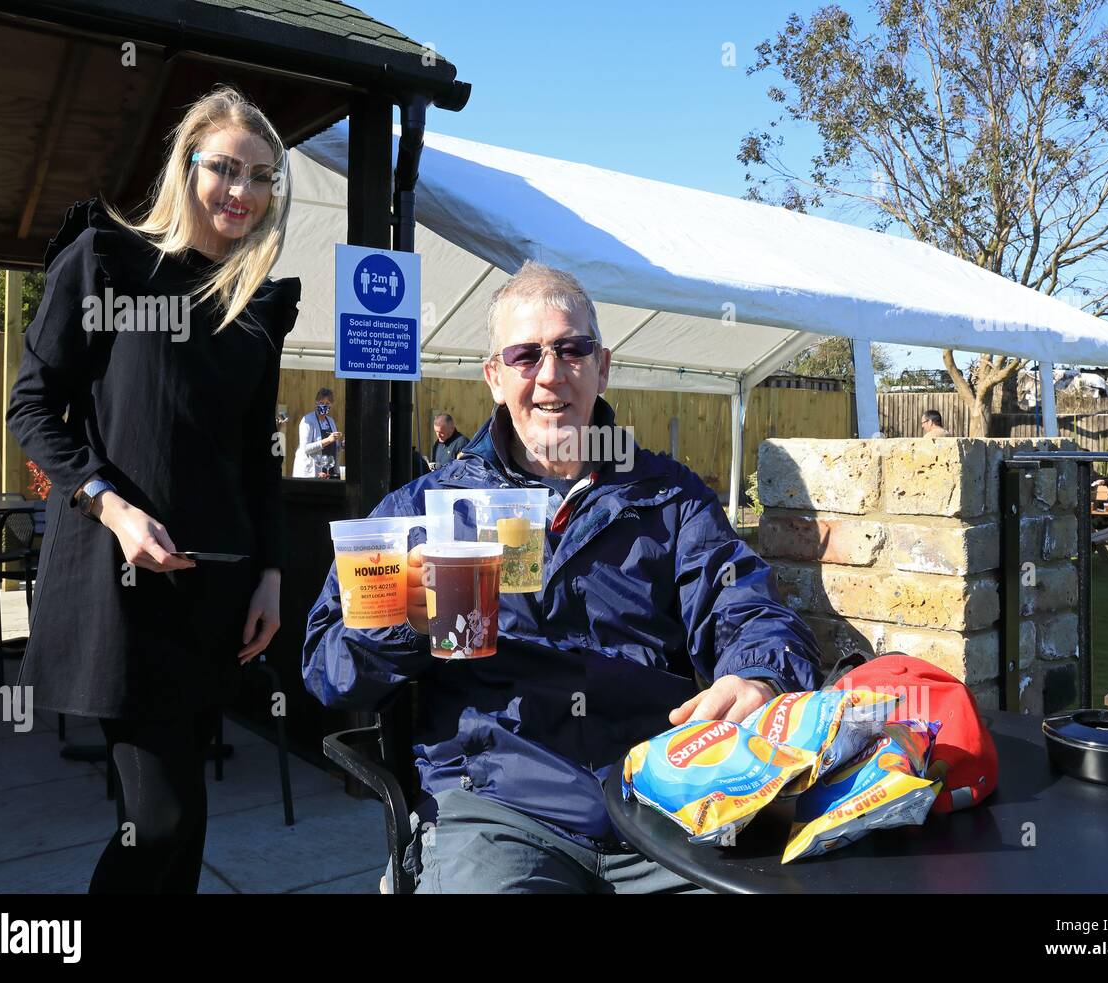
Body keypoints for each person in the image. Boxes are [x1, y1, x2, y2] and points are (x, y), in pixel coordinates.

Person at [303, 260, 822, 894]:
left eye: (571, 349)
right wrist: (411, 616)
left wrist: (759, 672)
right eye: (525, 355)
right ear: (495, 377)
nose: (550, 374)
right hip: (498, 807)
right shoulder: (426, 509)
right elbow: (328, 669)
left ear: (602, 366)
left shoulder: (669, 495)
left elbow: (748, 606)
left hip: (659, 798)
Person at [6, 86, 301, 894]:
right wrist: (110, 503)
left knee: (184, 820)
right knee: (160, 820)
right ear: (187, 166)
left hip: (213, 590)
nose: (242, 192)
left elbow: (255, 454)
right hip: (119, 586)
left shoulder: (254, 305)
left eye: (262, 177)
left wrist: (272, 574)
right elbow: (31, 405)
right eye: (226, 169)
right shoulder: (108, 259)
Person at [294, 387, 342, 478]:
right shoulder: (307, 420)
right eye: (321, 403)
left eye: (327, 403)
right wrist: (328, 440)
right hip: (312, 472)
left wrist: (341, 446)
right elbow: (306, 448)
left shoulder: (330, 421)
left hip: (329, 471)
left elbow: (333, 448)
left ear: (331, 405)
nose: (324, 405)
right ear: (316, 402)